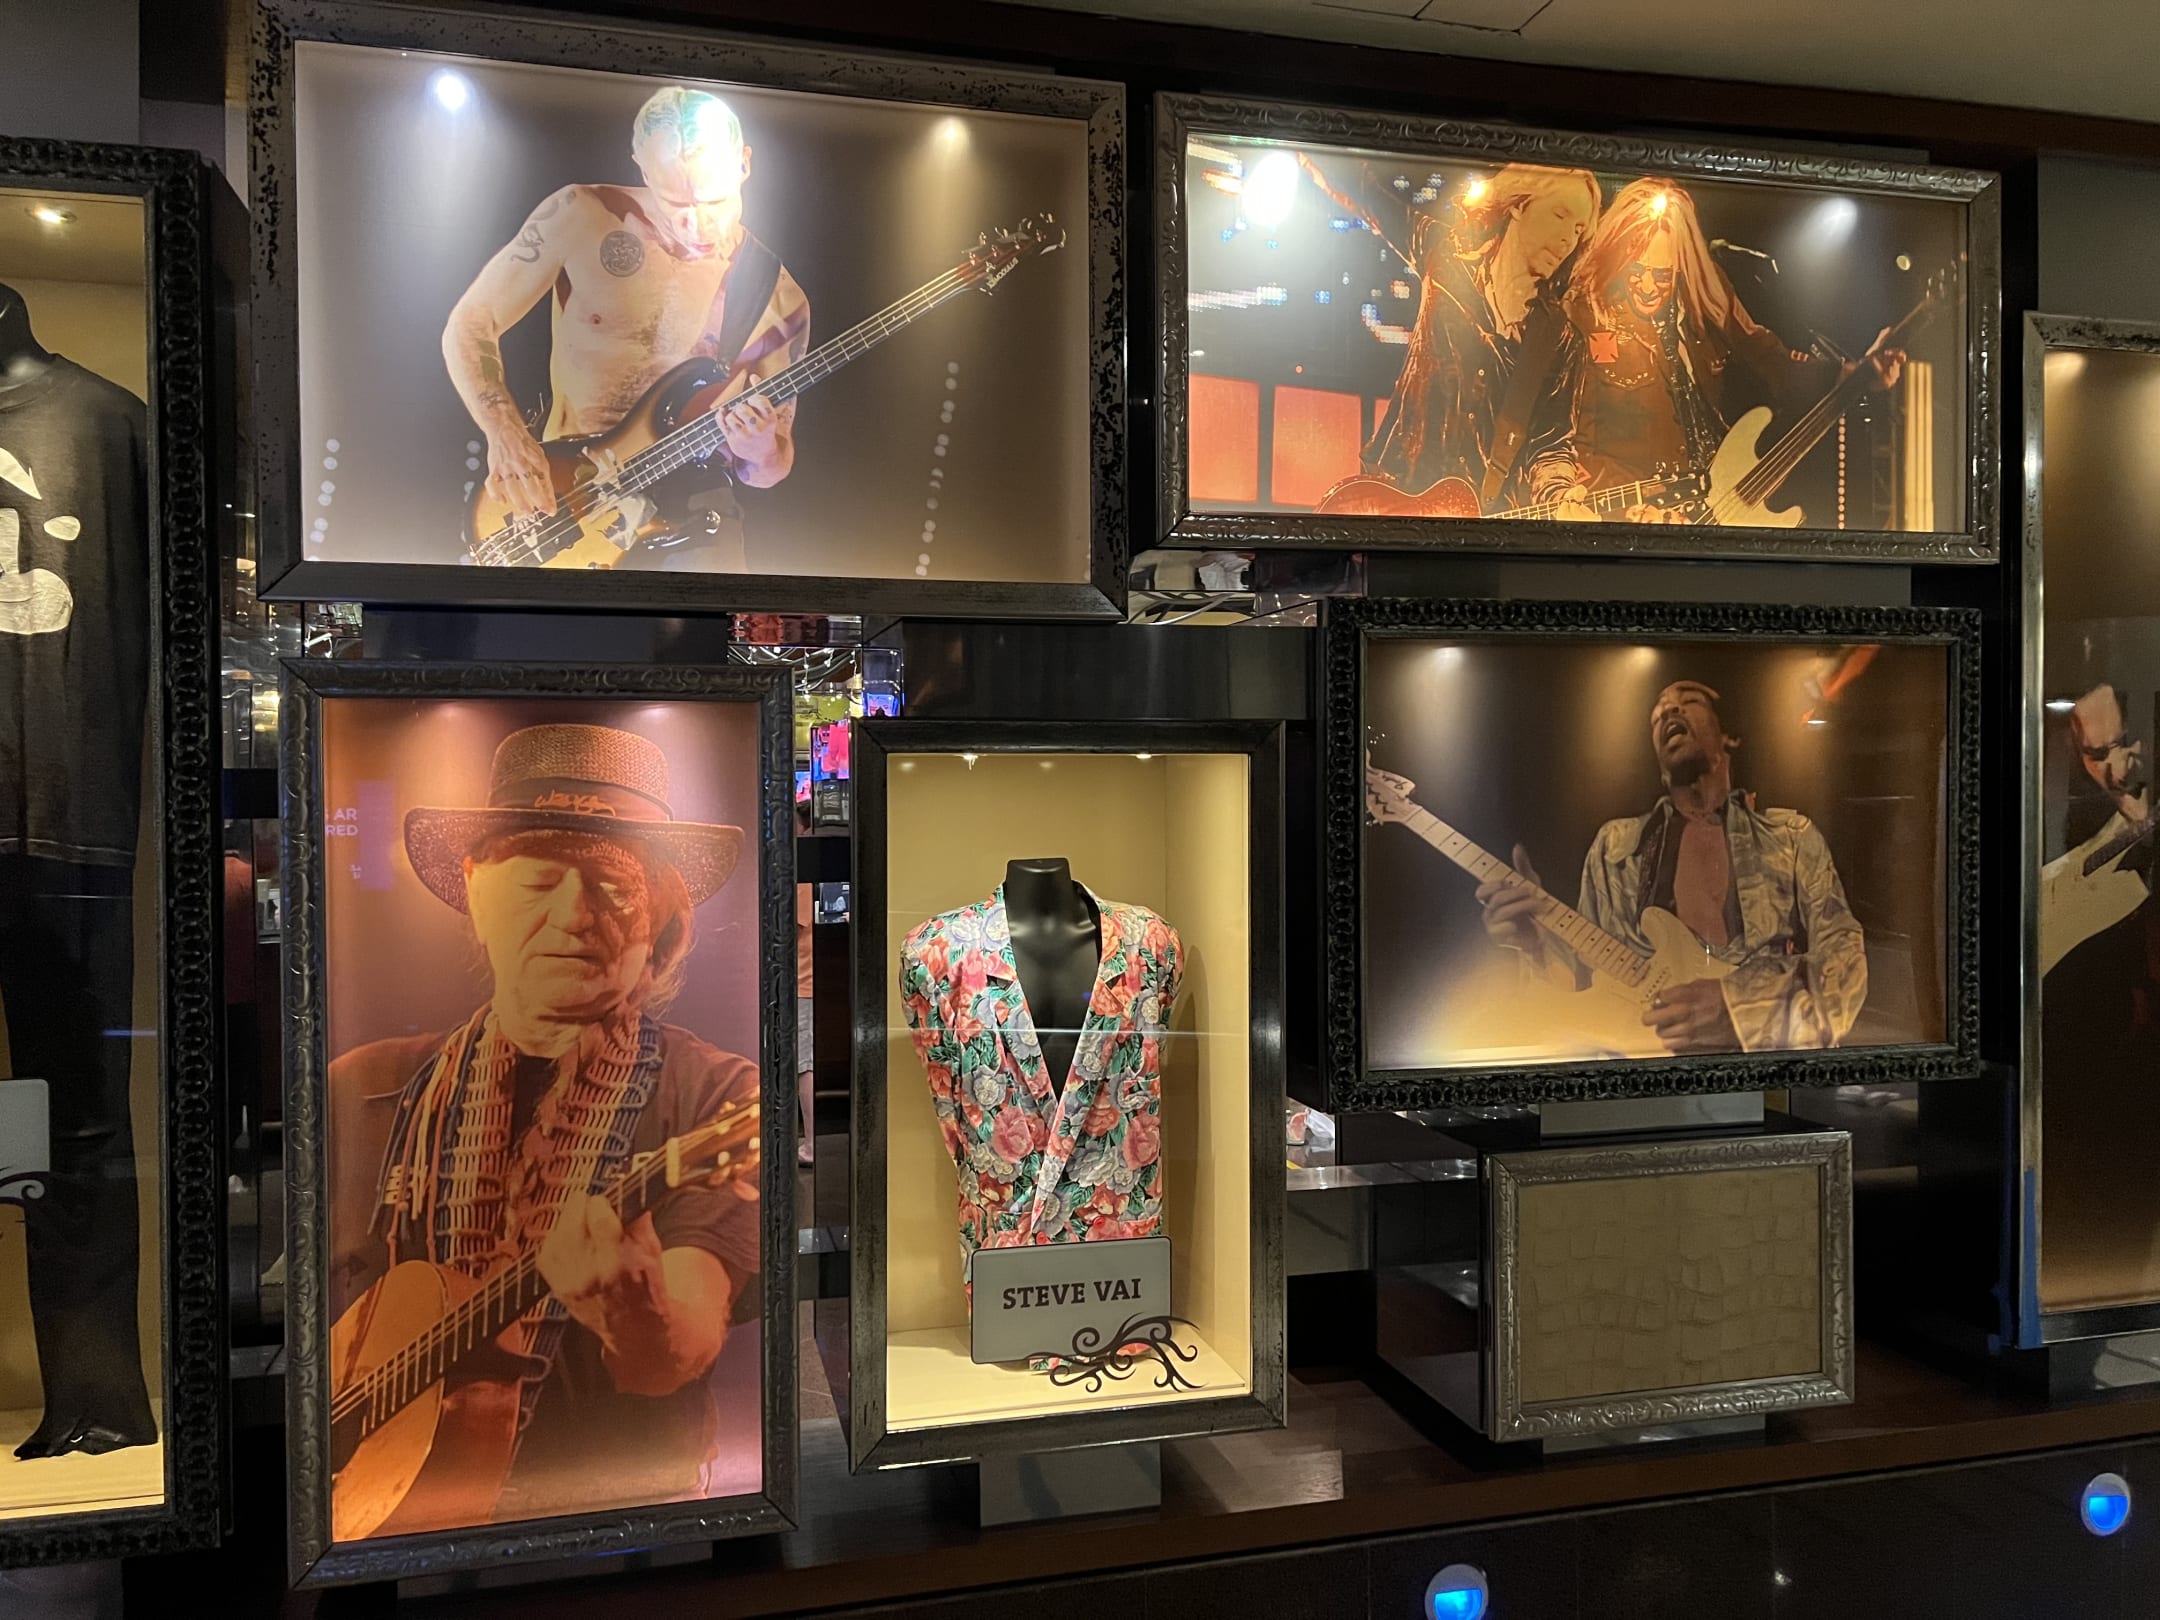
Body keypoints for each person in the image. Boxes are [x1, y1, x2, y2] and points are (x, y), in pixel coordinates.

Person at [326, 723, 760, 1529]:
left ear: (662, 919)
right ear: (475, 893)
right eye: (537, 879)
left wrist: (634, 1310)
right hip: (381, 1512)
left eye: (614, 885)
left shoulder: (720, 1096)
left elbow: (684, 1343)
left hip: (625, 1512)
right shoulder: (363, 1088)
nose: (573, 916)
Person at [1383, 680, 1866, 1054]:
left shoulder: (1790, 837)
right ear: (1657, 761)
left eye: (1688, 702)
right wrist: (1537, 942)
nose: (1669, 712)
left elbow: (1845, 959)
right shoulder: (1616, 846)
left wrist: (1739, 1008)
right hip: (1638, 1070)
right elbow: (1581, 983)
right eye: (1658, 714)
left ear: (1729, 736)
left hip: (1763, 1077)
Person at [442, 86, 811, 571]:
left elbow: (767, 471)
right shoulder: (581, 214)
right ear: (642, 167)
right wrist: (505, 433)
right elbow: (472, 322)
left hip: (696, 510)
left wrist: (760, 449)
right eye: (675, 201)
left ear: (744, 163)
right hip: (569, 496)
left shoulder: (778, 297)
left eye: (716, 201)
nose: (697, 223)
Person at [1533, 179, 1904, 519]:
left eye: (1662, 274)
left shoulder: (1705, 295)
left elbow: (1769, 358)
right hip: (1640, 510)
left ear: (1680, 265)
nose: (1647, 286)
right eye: (1636, 272)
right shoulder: (1584, 313)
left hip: (1714, 500)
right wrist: (1630, 508)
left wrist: (1848, 373)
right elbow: (1572, 441)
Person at [1301, 159, 1599, 511]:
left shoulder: (1562, 340)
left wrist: (1560, 497)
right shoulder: (1446, 257)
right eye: (1560, 215)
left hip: (1484, 516)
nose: (1568, 238)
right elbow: (1374, 200)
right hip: (1396, 497)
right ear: (1520, 205)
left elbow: (1551, 446)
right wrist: (1317, 148)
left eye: (1579, 230)